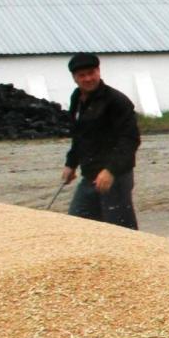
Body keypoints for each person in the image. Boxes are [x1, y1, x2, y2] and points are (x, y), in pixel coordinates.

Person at [61, 52, 140, 229]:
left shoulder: (117, 101)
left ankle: (128, 256)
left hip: (115, 176)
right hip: (90, 174)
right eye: (82, 75)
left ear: (98, 71)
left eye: (92, 73)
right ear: (74, 78)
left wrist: (110, 171)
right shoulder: (77, 99)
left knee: (119, 229)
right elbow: (79, 135)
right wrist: (71, 163)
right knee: (78, 224)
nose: (88, 78)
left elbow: (130, 140)